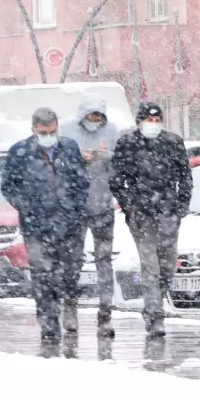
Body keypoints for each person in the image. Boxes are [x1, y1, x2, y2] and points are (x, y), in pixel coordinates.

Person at [2, 108, 90, 339]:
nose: (48, 136)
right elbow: (8, 187)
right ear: (34, 130)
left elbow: (81, 181)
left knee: (69, 272)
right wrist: (28, 206)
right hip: (37, 227)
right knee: (42, 276)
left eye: (52, 131)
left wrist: (74, 209)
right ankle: (49, 324)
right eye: (43, 132)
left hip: (70, 225)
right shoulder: (19, 152)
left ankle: (68, 303)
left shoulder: (68, 148)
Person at [109, 102, 192, 337]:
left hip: (168, 212)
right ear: (139, 122)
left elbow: (185, 176)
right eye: (149, 120)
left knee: (167, 265)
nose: (153, 125)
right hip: (141, 214)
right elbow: (116, 179)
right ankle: (155, 316)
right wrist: (130, 207)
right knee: (150, 267)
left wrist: (181, 206)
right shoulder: (128, 143)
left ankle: (154, 303)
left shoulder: (173, 142)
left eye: (157, 121)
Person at [59, 96, 120, 337]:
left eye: (98, 116)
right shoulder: (66, 131)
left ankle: (105, 315)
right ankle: (70, 307)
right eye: (90, 116)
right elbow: (57, 164)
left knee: (104, 261)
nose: (94, 121)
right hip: (74, 207)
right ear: (81, 115)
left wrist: (108, 157)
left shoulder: (113, 131)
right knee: (73, 260)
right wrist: (77, 158)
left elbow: (121, 166)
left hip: (103, 206)